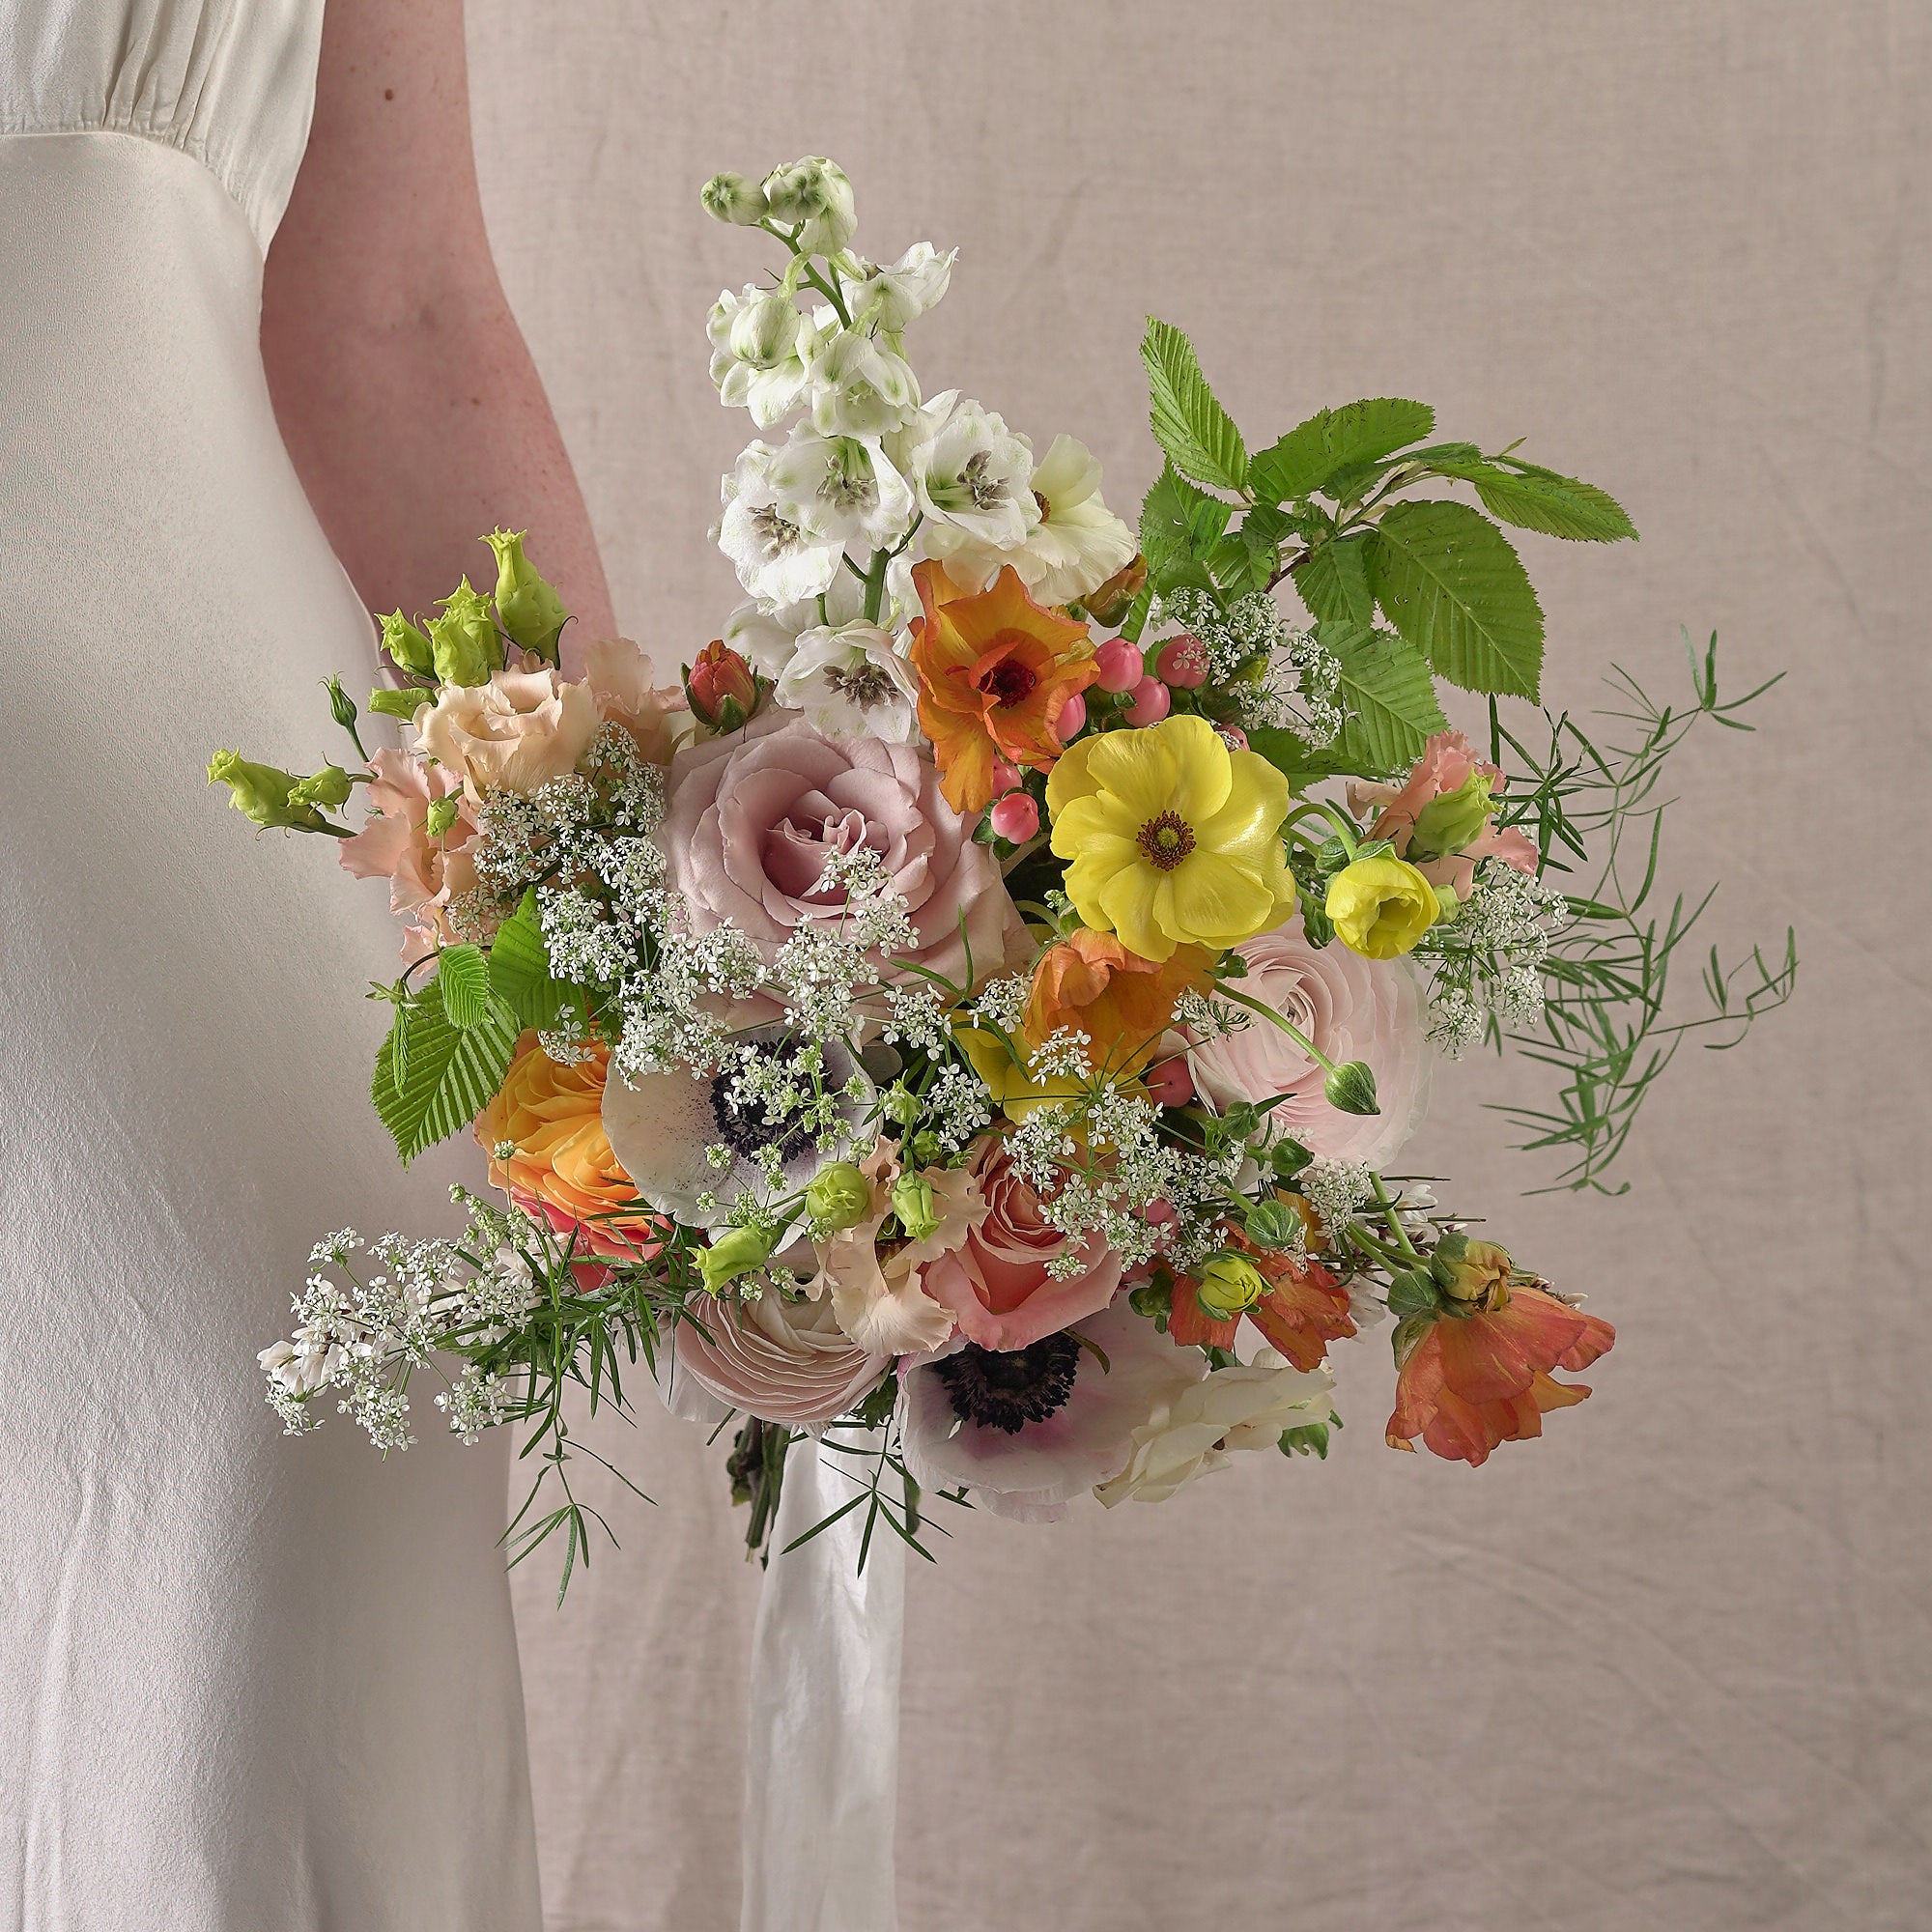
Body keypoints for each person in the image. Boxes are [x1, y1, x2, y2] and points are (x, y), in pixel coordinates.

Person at [0, 1, 609, 1920]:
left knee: (349, 1360)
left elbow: (396, 303)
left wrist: (657, 915)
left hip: (222, 675)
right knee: (246, 1366)